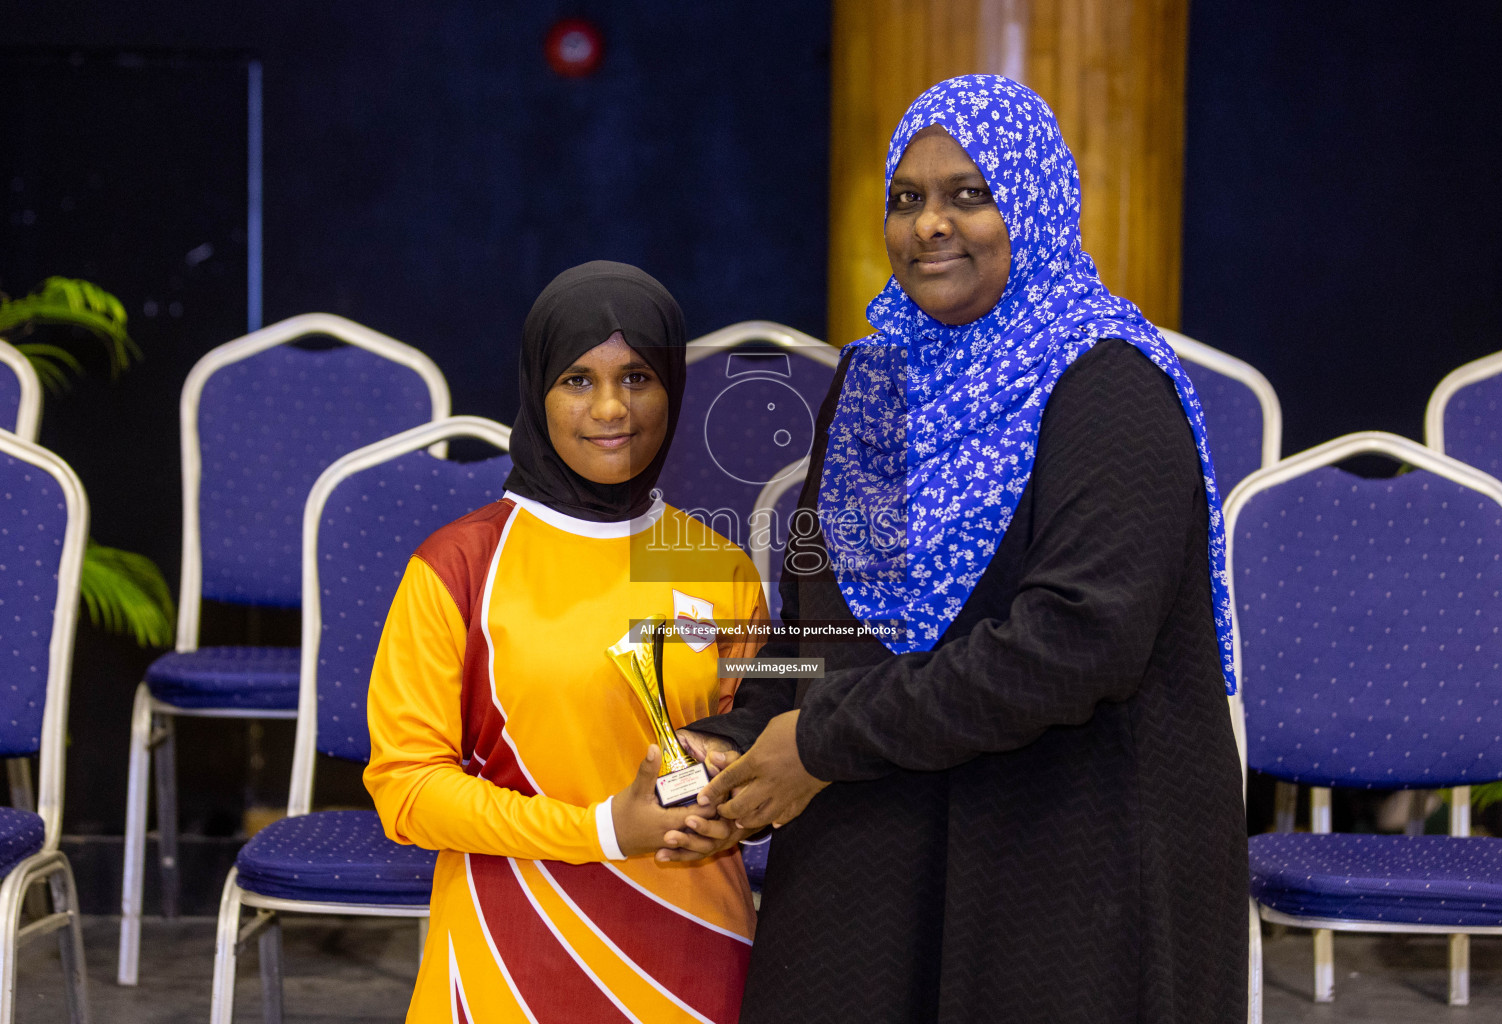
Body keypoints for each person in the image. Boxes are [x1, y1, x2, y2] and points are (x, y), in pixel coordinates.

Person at [668, 76, 1249, 1023]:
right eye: (908, 198)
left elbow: (1076, 644)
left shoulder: (1107, 383)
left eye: (968, 194)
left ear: (1033, 204)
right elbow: (819, 619)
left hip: (1069, 838)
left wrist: (819, 741)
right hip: (881, 816)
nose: (930, 224)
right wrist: (730, 741)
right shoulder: (876, 385)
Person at [365, 261, 766, 1024]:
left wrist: (742, 803)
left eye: (639, 376)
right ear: (537, 389)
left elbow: (758, 729)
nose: (612, 408)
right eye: (578, 379)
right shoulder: (458, 565)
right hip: (509, 943)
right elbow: (407, 789)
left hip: (694, 938)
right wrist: (603, 831)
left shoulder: (717, 562)